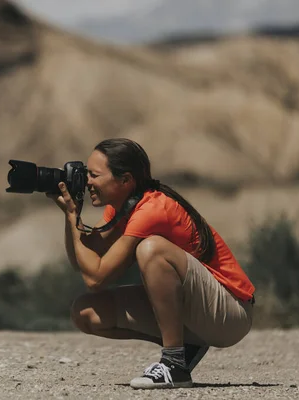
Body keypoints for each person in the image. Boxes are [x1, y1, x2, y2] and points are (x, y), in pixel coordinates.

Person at [47, 138, 255, 389]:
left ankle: (174, 364)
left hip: (231, 313)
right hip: (200, 314)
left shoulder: (153, 209)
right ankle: (186, 346)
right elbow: (85, 261)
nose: (87, 181)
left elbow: (96, 278)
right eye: (85, 174)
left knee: (151, 249)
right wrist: (71, 218)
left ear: (125, 180)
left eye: (93, 175)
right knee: (85, 313)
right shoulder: (122, 206)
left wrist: (73, 218)